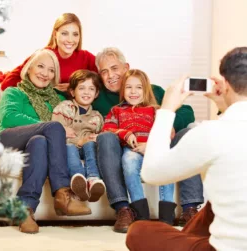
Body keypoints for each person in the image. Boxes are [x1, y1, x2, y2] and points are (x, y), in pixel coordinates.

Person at [126, 46, 247, 251]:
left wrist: (166, 110)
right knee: (212, 206)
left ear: (225, 84)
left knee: (138, 232)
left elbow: (152, 172)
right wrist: (225, 106)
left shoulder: (211, 133)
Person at [93, 47, 203, 233]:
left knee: (188, 134)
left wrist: (166, 128)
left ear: (126, 67)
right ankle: (124, 209)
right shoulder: (97, 97)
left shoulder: (151, 92)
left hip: (158, 144)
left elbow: (186, 111)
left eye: (114, 68)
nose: (110, 75)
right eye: (104, 72)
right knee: (106, 138)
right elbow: (82, 102)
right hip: (126, 149)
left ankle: (189, 209)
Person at [0, 48, 91, 234]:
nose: (45, 73)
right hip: (7, 138)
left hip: (35, 143)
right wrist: (49, 126)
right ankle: (62, 194)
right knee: (53, 127)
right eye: (40, 66)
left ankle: (25, 209)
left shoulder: (56, 99)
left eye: (51, 70)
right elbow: (9, 118)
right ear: (29, 68)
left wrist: (86, 136)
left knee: (39, 141)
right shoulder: (14, 92)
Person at [102, 69, 177, 224]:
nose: (133, 92)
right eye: (129, 87)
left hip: (155, 149)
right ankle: (140, 214)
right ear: (123, 90)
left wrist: (150, 146)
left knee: (168, 164)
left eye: (139, 87)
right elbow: (107, 129)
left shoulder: (155, 111)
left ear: (146, 90)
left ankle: (167, 216)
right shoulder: (116, 110)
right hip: (133, 150)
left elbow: (168, 132)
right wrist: (125, 134)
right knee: (128, 160)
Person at [0, 13, 97, 93]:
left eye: (75, 34)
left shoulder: (86, 57)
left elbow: (105, 82)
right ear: (55, 34)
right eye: (64, 33)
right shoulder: (45, 55)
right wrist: (43, 87)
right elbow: (7, 83)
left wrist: (76, 87)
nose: (70, 40)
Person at [52, 69, 106, 202]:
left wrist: (95, 139)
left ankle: (93, 179)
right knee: (69, 146)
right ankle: (78, 178)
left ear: (96, 93)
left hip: (87, 148)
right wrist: (79, 141)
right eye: (81, 88)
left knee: (90, 145)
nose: (86, 92)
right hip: (68, 147)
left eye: (91, 89)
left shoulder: (97, 116)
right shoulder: (64, 107)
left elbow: (100, 136)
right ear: (72, 92)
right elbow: (55, 132)